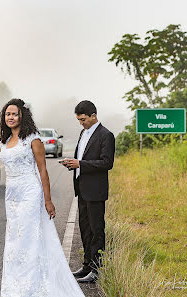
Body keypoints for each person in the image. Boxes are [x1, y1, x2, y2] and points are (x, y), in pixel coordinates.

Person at [0, 98, 85, 297]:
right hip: (12, 196)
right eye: (7, 114)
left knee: (29, 239)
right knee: (15, 241)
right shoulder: (3, 143)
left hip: (31, 192)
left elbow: (43, 171)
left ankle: (34, 286)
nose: (10, 117)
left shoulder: (32, 138)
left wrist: (47, 200)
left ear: (22, 116)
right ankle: (18, 286)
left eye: (14, 114)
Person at [61, 100, 115, 283]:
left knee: (96, 230)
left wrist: (80, 164)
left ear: (94, 116)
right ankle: (86, 266)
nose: (81, 123)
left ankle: (96, 269)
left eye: (83, 119)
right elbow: (82, 159)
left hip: (96, 191)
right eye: (78, 120)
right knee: (84, 229)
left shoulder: (106, 135)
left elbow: (107, 163)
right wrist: (73, 164)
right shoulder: (83, 133)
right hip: (82, 189)